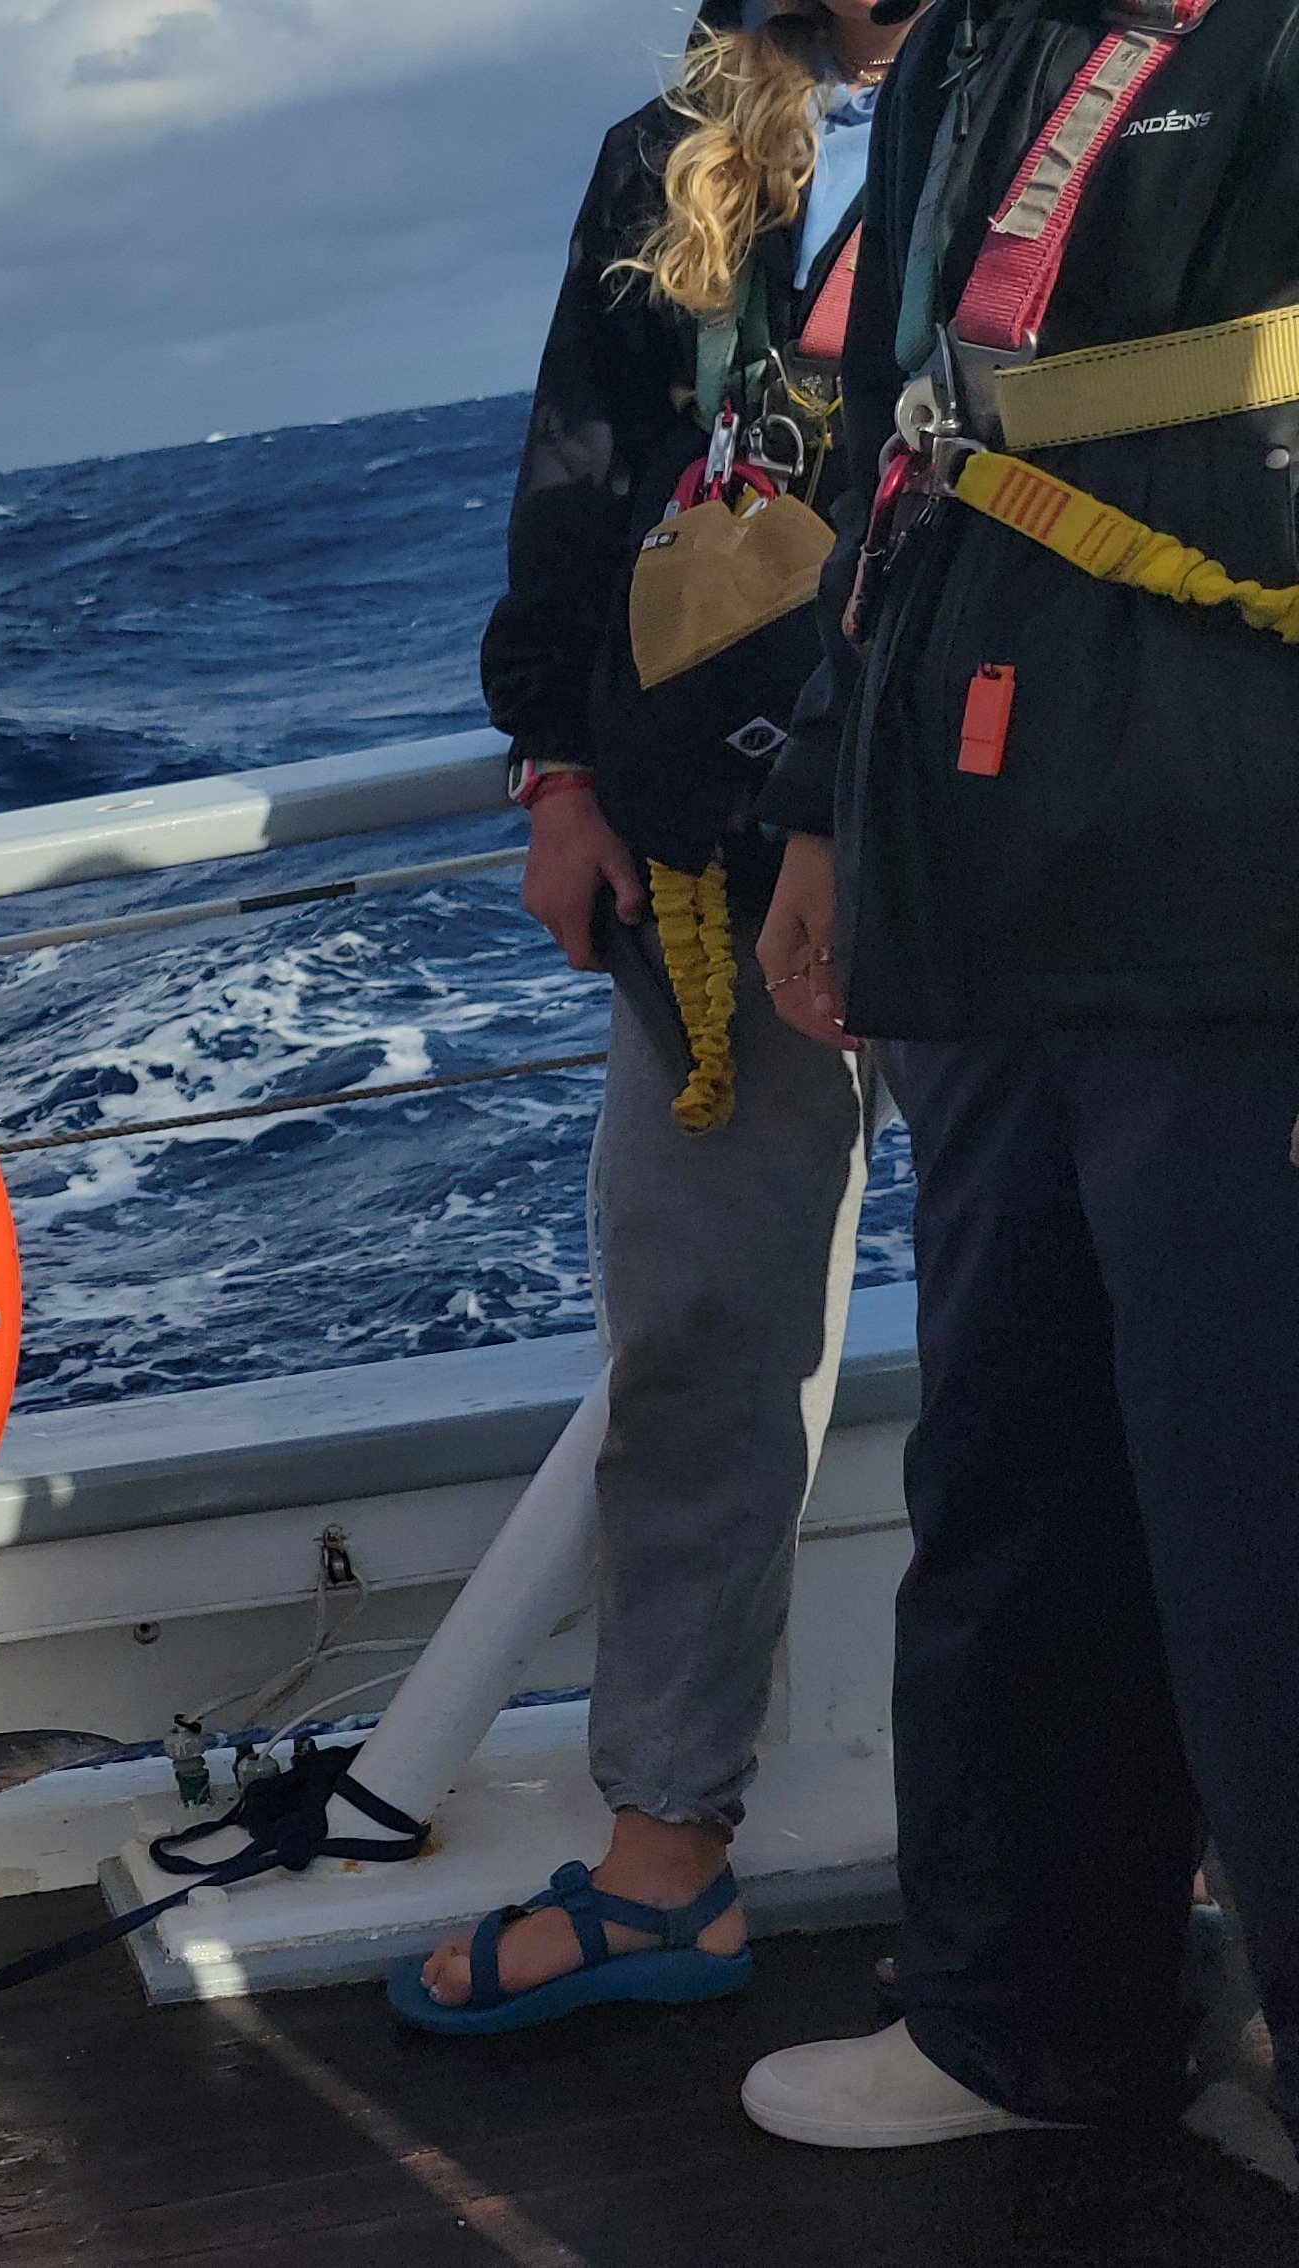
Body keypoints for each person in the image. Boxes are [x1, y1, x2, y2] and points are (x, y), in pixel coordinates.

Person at [743, 0, 1298, 2149]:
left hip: (1234, 889)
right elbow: (908, 447)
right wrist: (821, 814)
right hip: (982, 882)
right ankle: (1027, 2015)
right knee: (1013, 1485)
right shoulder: (973, 43)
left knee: (1267, 1520)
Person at [400, 0, 915, 2033]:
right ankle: (666, 1851)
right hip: (707, 850)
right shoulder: (666, 157)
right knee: (697, 1328)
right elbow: (579, 469)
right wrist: (560, 770)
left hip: (994, 824)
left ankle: (1181, 1803)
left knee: (1099, 1321)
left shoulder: (1102, 104)